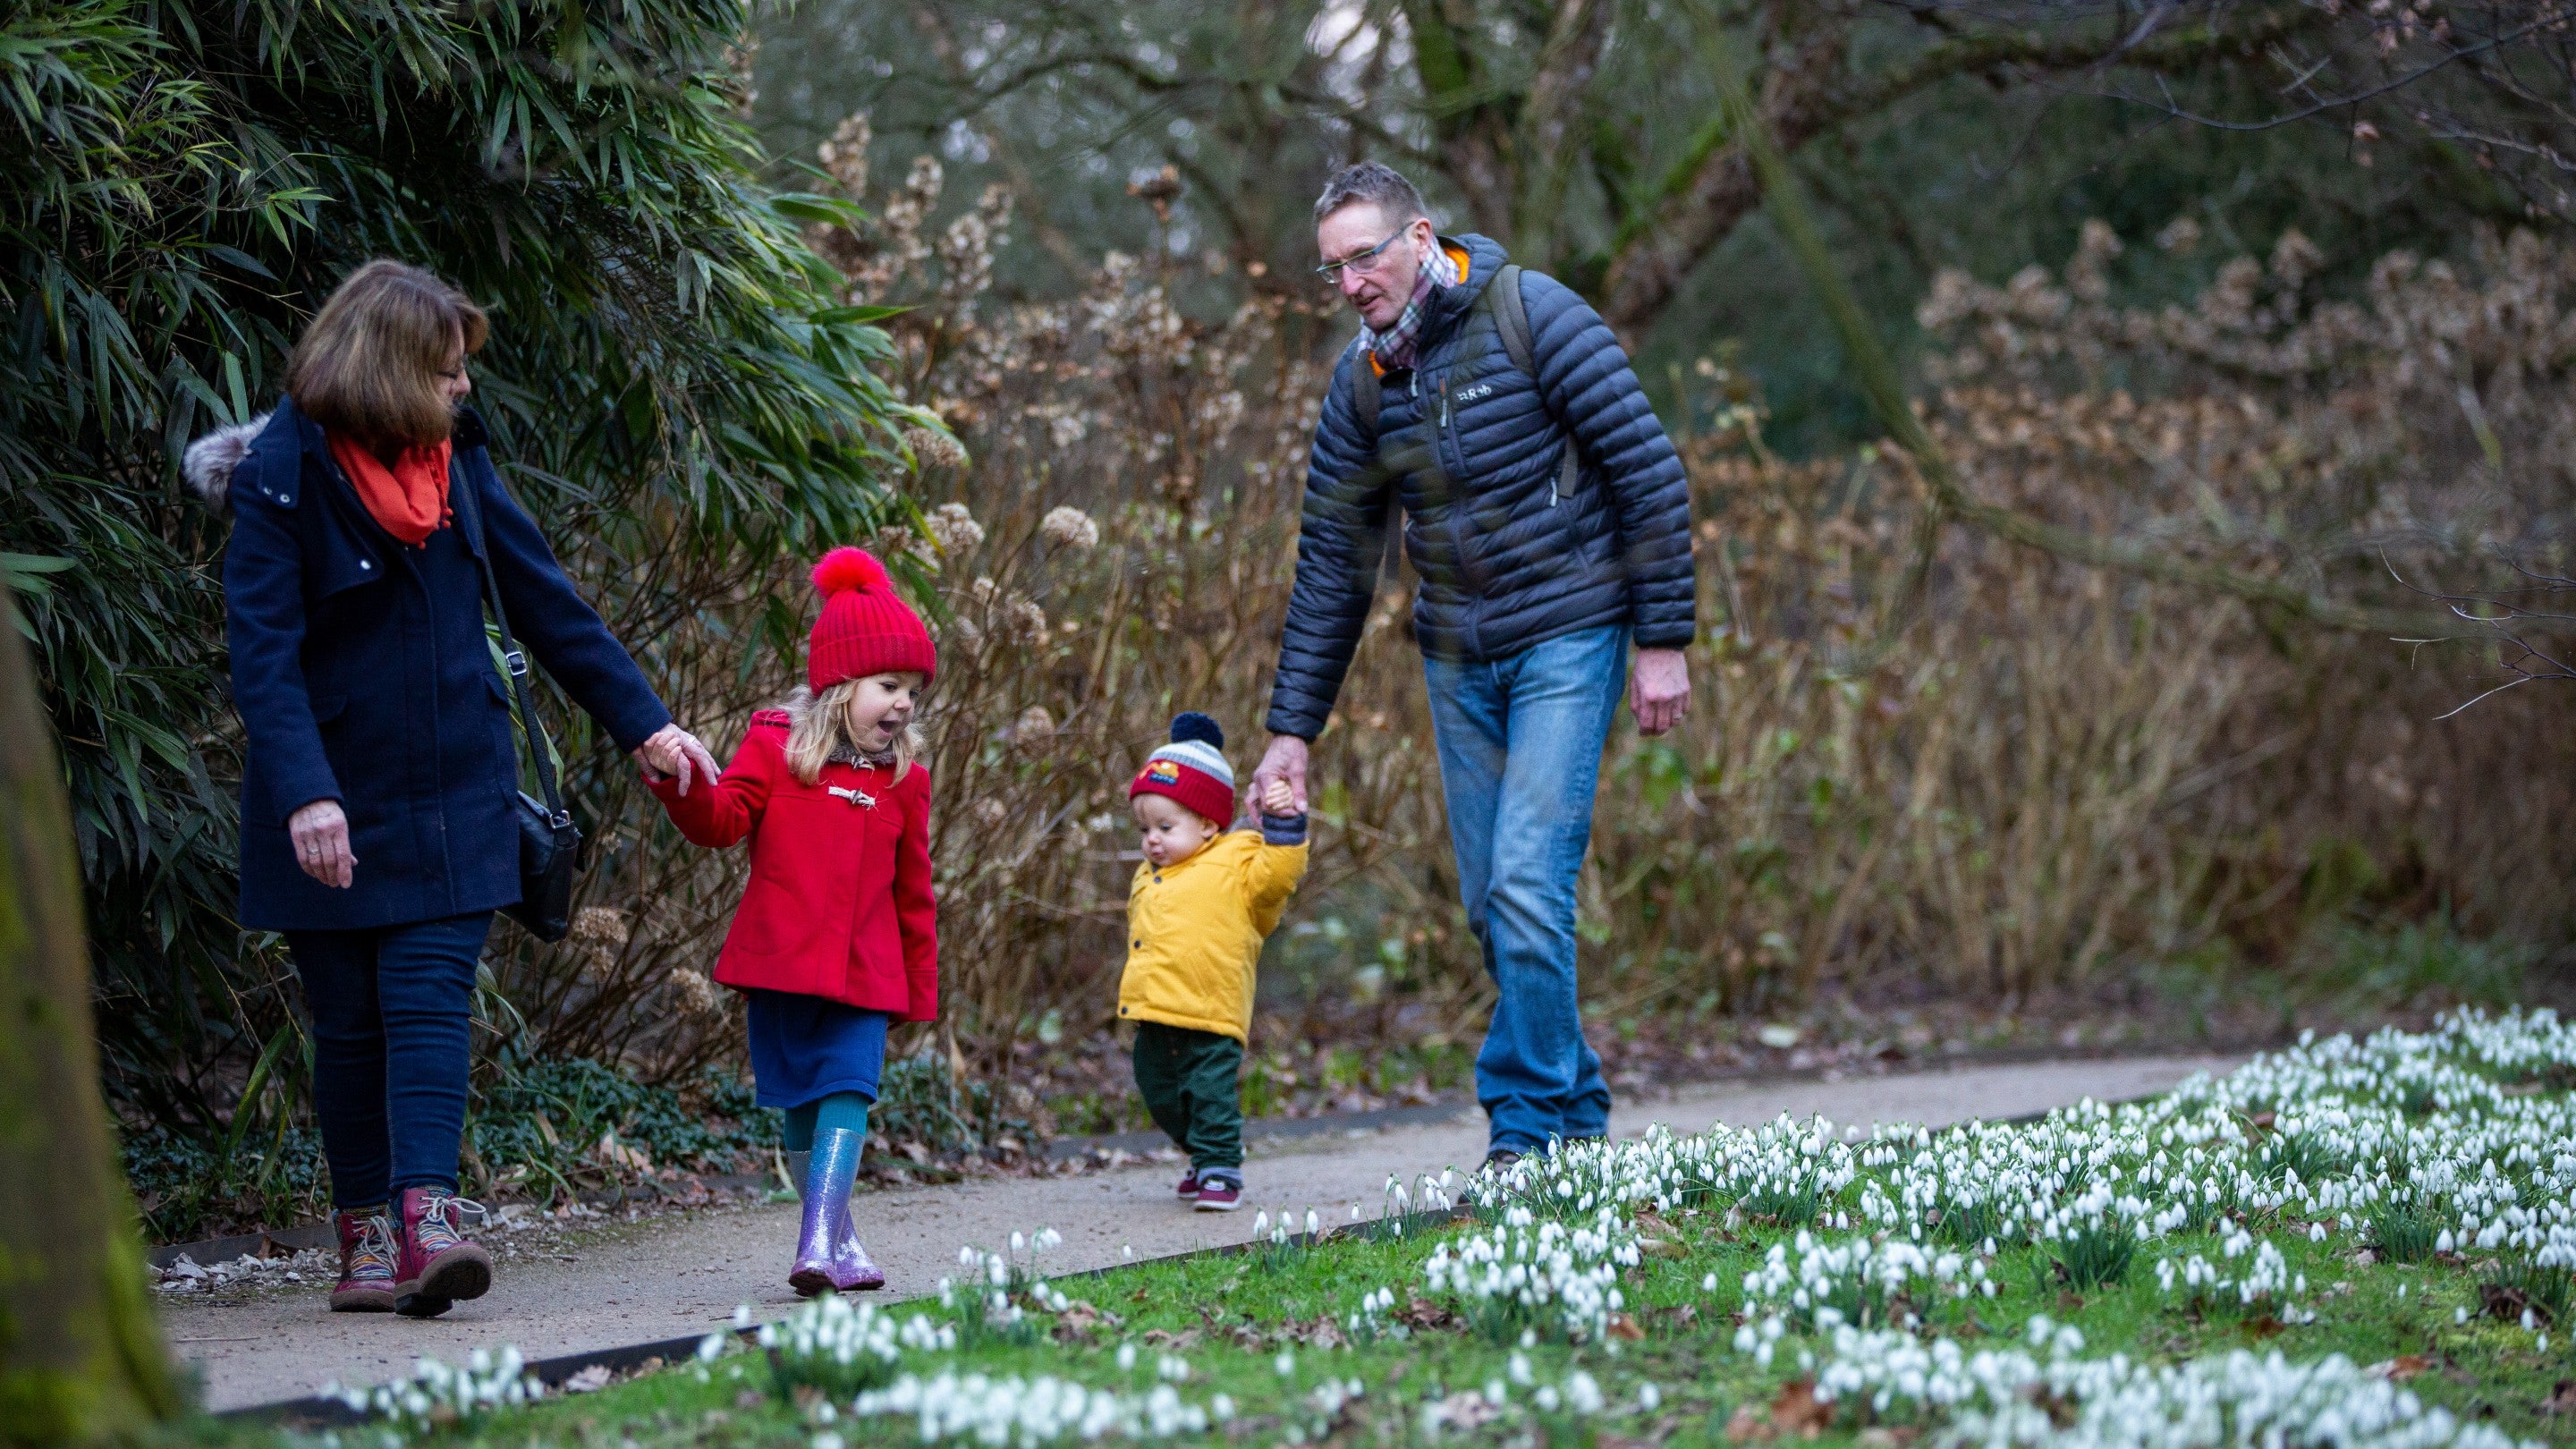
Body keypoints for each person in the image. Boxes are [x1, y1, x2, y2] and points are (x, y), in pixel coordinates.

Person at [188, 258, 722, 1318]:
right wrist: (305, 793)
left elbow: (546, 602)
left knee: (428, 1000)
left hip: (456, 792)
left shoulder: (456, 465)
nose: (464, 387)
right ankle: (364, 1243)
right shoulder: (281, 477)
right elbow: (264, 654)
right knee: (346, 1023)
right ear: (387, 369)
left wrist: (647, 726)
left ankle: (429, 1223)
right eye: (446, 370)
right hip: (329, 800)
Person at [1251, 162, 1696, 1173]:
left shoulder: (1530, 312)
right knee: (1492, 903)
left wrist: (1662, 641)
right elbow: (1333, 563)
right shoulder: (1361, 385)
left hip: (1572, 632)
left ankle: (1525, 1129)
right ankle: (1577, 1109)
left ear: (1419, 237)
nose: (1352, 283)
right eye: (1333, 271)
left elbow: (1645, 466)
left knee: (1532, 883)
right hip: (1458, 656)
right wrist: (1292, 733)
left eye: (1364, 256)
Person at [640, 546, 938, 1294]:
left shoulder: (907, 782)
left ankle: (815, 1243)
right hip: (781, 969)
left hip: (867, 976)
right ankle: (835, 1241)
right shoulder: (776, 749)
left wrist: (921, 991)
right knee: (801, 1108)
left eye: (913, 691)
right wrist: (679, 784)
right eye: (889, 686)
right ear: (840, 685)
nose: (903, 704)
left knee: (848, 1087)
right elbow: (720, 821)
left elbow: (916, 895)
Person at [1115, 713, 1309, 1211]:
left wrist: (1283, 823)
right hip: (1154, 1009)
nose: (1151, 840)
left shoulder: (1239, 863)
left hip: (1213, 1009)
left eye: (1164, 826)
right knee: (1157, 1089)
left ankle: (1222, 1165)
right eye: (1144, 828)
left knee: (1210, 1091)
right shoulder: (1150, 874)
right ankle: (1203, 1153)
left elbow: (1278, 876)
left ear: (1206, 824)